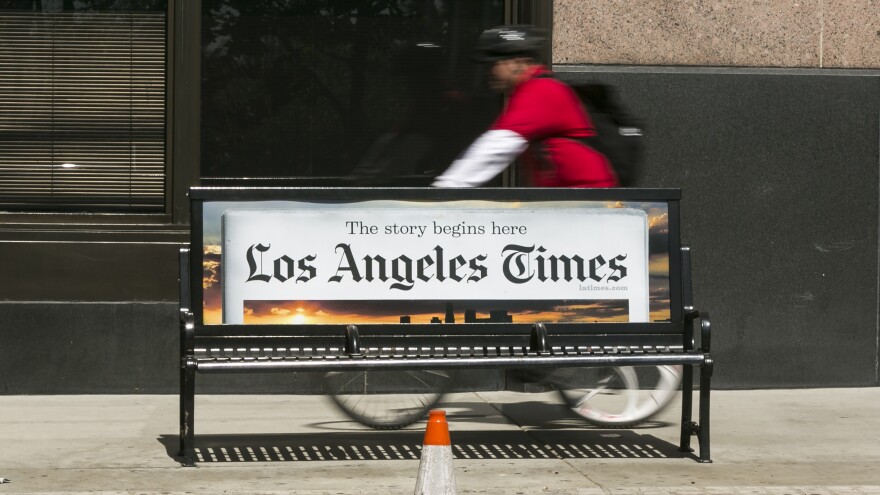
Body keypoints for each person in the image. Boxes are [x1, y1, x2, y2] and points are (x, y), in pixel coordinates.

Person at [432, 25, 618, 188]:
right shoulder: (532, 90)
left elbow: (496, 146)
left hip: (589, 206)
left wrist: (446, 188)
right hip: (571, 203)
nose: (488, 72)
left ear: (518, 62)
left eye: (493, 64)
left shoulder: (541, 90)